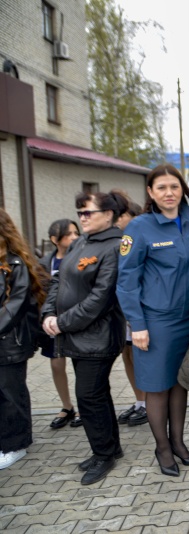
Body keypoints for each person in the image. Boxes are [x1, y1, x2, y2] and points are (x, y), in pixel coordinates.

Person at [117, 165, 189, 476]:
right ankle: (163, 449)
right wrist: (136, 325)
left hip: (188, 319)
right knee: (157, 387)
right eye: (162, 188)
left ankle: (178, 443)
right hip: (155, 321)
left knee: (180, 383)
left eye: (174, 187)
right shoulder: (139, 228)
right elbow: (126, 282)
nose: (169, 193)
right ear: (151, 193)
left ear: (182, 190)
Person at [41, 191, 129, 485]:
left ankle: (103, 454)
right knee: (97, 395)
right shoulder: (80, 242)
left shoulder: (116, 247)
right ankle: (110, 448)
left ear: (108, 214)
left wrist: (61, 323)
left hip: (98, 337)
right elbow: (58, 280)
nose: (82, 218)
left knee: (88, 397)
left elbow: (100, 299)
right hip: (75, 336)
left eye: (88, 212)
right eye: (79, 213)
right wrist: (48, 313)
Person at [0, 209, 46, 470]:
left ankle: (17, 444)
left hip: (11, 342)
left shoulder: (16, 264)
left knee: (11, 392)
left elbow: (15, 305)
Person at [38, 219, 82, 430]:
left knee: (81, 366)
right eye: (69, 234)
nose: (74, 237)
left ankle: (84, 407)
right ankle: (67, 407)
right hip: (51, 321)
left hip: (77, 320)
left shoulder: (83, 258)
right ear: (55, 240)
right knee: (56, 364)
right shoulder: (45, 263)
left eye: (76, 232)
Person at [114, 200, 149, 427]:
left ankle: (147, 404)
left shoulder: (140, 235)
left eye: (121, 215)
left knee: (140, 357)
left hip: (140, 310)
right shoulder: (119, 240)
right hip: (122, 309)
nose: (117, 219)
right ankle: (139, 401)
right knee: (127, 355)